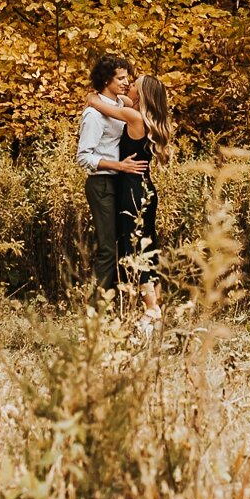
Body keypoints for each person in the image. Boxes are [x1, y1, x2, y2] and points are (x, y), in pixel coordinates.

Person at [82, 72, 173, 326]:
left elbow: (98, 104)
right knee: (148, 245)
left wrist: (94, 94)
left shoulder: (134, 116)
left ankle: (151, 309)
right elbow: (121, 98)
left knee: (133, 249)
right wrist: (122, 92)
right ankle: (156, 303)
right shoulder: (150, 119)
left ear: (141, 95)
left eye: (133, 86)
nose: (127, 88)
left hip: (131, 190)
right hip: (147, 189)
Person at [74, 54, 147, 299]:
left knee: (122, 243)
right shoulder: (93, 115)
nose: (126, 82)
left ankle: (117, 303)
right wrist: (120, 166)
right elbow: (84, 158)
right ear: (106, 79)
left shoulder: (118, 106)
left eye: (128, 78)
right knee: (107, 248)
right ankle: (97, 310)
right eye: (121, 78)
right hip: (102, 183)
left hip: (119, 181)